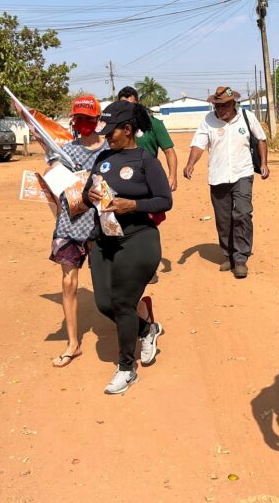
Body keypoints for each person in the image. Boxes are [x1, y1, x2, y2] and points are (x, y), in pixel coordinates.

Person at [83, 100, 173, 394]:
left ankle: (126, 368)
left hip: (138, 238)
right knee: (104, 303)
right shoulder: (103, 158)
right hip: (104, 238)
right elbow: (87, 194)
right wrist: (89, 193)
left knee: (122, 302)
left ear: (128, 129)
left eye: (112, 131)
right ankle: (147, 329)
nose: (107, 136)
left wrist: (133, 204)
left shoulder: (147, 161)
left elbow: (164, 200)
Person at [183, 86, 269, 279]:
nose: (221, 110)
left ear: (233, 104)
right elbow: (198, 144)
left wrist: (263, 163)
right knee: (224, 220)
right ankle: (228, 255)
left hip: (243, 173)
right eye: (217, 106)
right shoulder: (208, 121)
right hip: (218, 176)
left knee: (243, 214)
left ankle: (240, 259)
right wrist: (190, 163)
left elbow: (261, 140)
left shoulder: (247, 117)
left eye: (224, 106)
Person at [49, 95, 108, 367]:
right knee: (68, 282)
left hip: (100, 225)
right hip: (69, 226)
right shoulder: (64, 151)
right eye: (79, 118)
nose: (83, 123)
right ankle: (73, 343)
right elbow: (53, 180)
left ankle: (135, 323)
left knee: (108, 283)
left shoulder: (109, 151)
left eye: (88, 118)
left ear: (97, 120)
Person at [117, 86, 178, 191]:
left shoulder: (154, 124)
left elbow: (169, 152)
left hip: (149, 179)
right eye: (123, 105)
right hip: (123, 179)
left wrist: (173, 176)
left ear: (138, 103)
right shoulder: (115, 127)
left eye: (131, 105)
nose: (127, 108)